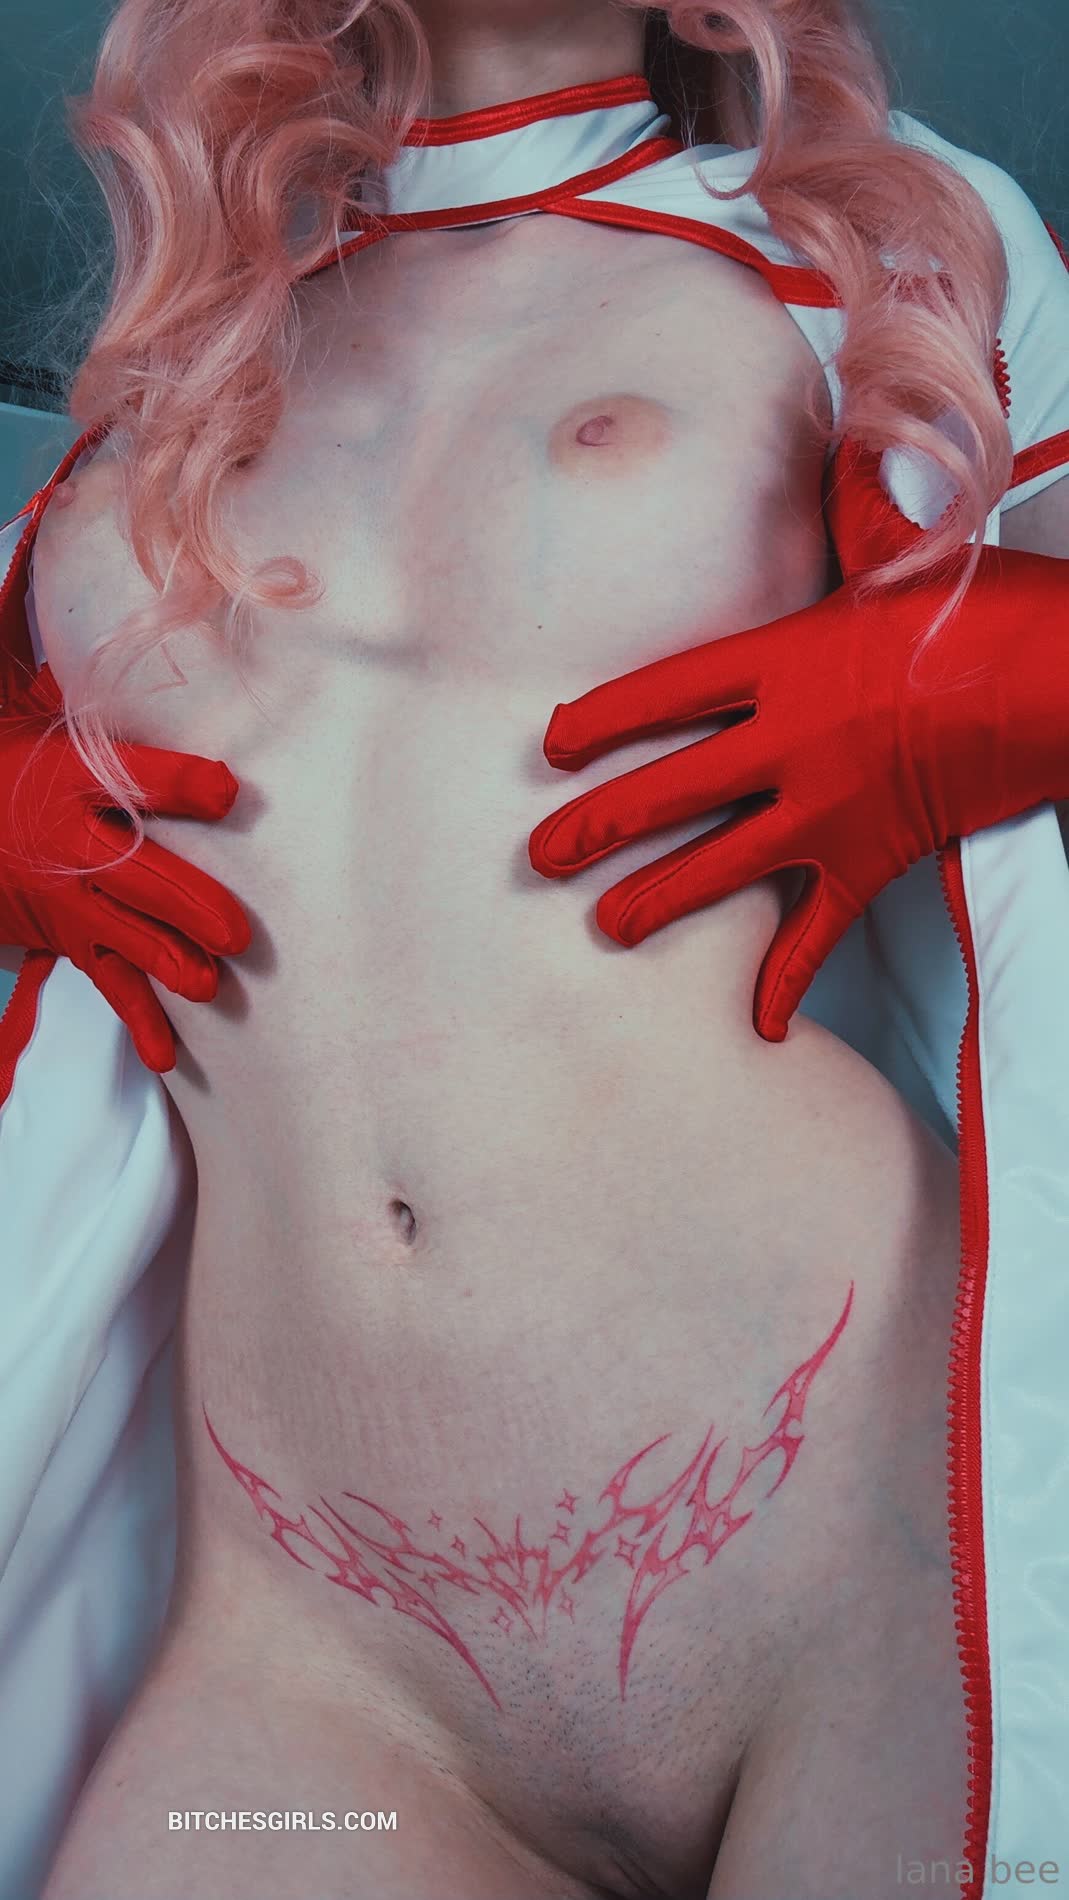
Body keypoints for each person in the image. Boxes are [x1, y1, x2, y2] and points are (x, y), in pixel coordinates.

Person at [0, 2, 1067, 1897]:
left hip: (864, 1553)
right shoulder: (186, 340)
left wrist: (1026, 668)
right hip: (321, 1674)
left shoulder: (885, 244)